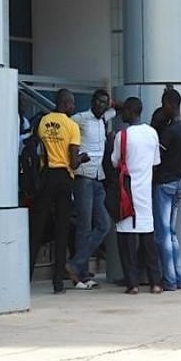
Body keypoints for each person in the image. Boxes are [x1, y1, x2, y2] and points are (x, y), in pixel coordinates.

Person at [29, 88, 87, 294]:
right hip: (63, 177)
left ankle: (26, 276)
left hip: (45, 176)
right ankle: (57, 283)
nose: (73, 107)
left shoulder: (42, 122)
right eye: (72, 104)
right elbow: (73, 161)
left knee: (37, 226)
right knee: (62, 228)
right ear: (67, 103)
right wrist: (82, 158)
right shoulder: (72, 126)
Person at [65, 89, 116, 290]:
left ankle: (75, 264)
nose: (102, 105)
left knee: (104, 224)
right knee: (84, 226)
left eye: (105, 103)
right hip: (83, 176)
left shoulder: (104, 118)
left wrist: (113, 103)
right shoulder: (80, 119)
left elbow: (118, 108)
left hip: (98, 177)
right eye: (99, 102)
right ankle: (82, 275)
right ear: (92, 101)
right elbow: (65, 128)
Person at [112, 97, 163, 294]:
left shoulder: (122, 136)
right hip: (145, 192)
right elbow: (155, 162)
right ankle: (155, 282)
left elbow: (115, 162)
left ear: (131, 111)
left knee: (126, 241)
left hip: (126, 192)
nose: (122, 114)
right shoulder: (152, 133)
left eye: (124, 110)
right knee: (148, 240)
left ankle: (132, 283)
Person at [152, 88, 181, 291]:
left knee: (163, 233)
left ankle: (169, 279)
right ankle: (178, 277)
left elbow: (156, 160)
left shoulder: (170, 131)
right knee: (172, 233)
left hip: (164, 184)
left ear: (169, 104)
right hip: (176, 184)